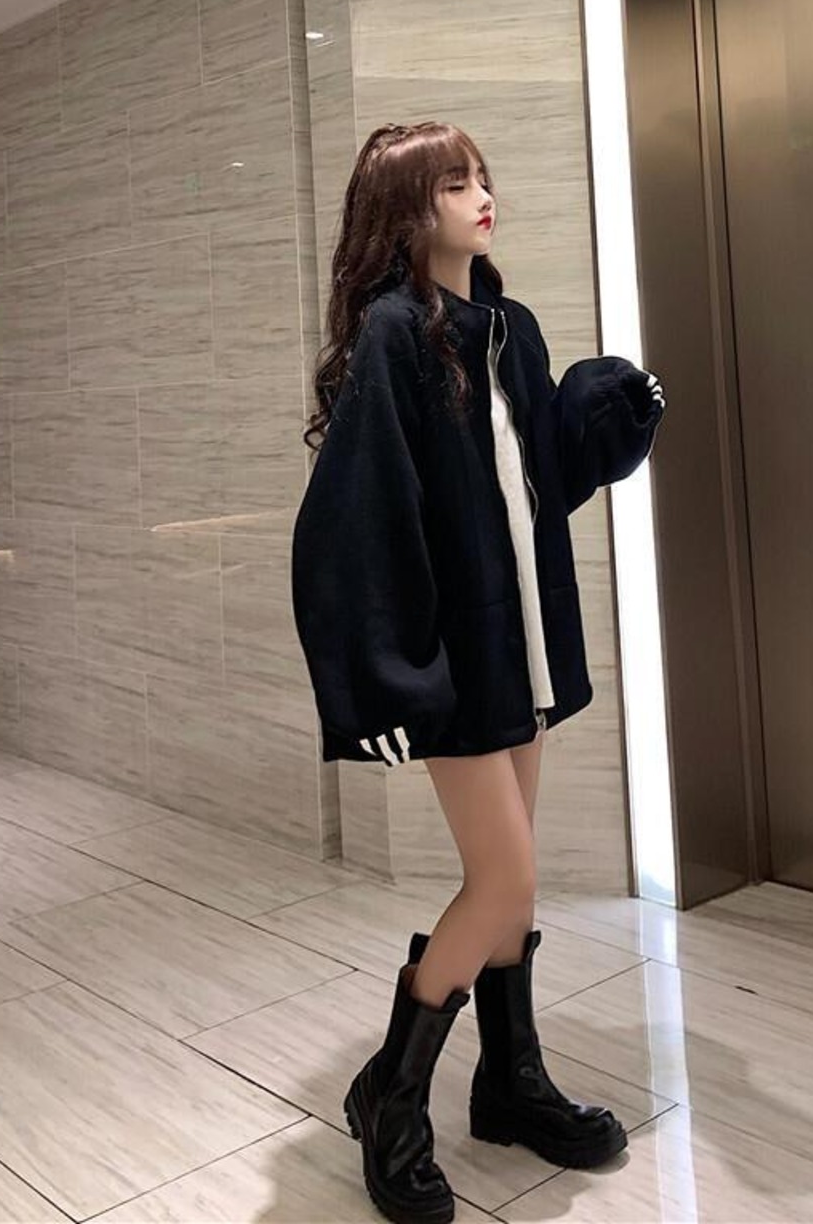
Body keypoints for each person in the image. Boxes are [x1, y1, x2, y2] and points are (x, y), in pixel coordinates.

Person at [291, 121, 666, 1224]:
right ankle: (390, 1092)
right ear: (406, 212)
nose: (480, 194)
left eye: (480, 176)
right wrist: (383, 674)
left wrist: (607, 414)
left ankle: (509, 1081)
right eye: (454, 182)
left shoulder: (510, 327)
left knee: (518, 883)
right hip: (452, 662)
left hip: (522, 646)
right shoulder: (395, 335)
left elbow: (537, 476)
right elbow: (356, 514)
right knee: (499, 878)